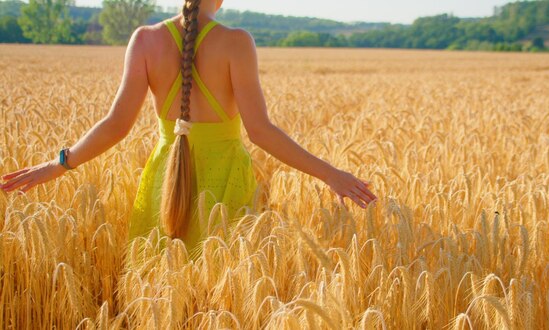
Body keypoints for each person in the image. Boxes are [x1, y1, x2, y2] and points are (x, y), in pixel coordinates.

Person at [0, 0, 377, 254]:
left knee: (159, 278)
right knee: (223, 286)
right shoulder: (236, 43)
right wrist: (330, 174)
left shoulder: (145, 40)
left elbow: (116, 124)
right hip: (226, 182)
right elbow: (260, 131)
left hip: (166, 178)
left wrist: (59, 163)